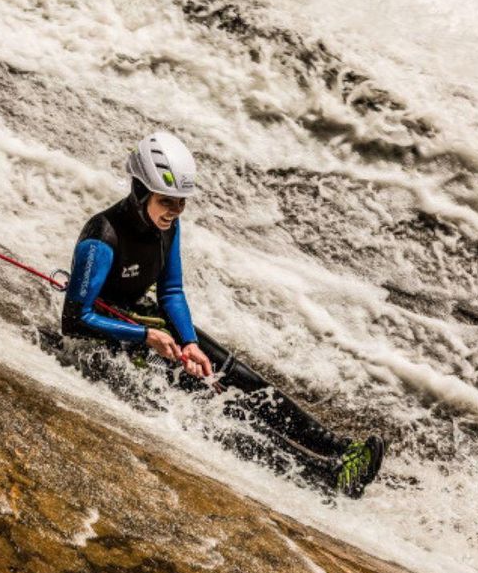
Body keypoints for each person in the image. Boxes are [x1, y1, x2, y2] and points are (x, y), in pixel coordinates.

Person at [61, 132, 383, 497]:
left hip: (146, 324)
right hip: (108, 342)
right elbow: (74, 319)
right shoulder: (101, 238)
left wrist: (190, 342)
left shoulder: (168, 227)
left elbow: (170, 291)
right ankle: (322, 475)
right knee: (213, 404)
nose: (175, 211)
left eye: (181, 203)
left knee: (239, 377)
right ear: (139, 192)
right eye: (167, 201)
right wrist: (145, 337)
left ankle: (338, 448)